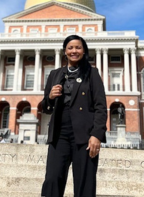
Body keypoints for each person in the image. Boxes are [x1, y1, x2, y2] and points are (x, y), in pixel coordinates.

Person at [40, 35, 107, 196]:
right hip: (59, 134)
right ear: (65, 51)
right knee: (52, 178)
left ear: (84, 51)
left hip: (84, 134)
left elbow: (101, 106)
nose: (74, 51)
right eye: (70, 48)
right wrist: (50, 97)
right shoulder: (55, 74)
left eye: (78, 47)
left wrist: (96, 134)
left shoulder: (92, 73)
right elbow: (46, 108)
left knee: (85, 181)